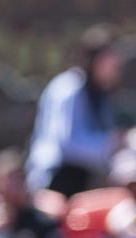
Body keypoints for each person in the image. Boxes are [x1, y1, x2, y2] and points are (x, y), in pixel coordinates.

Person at [26, 24, 124, 196]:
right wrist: (112, 143)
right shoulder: (69, 88)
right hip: (54, 181)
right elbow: (69, 144)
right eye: (111, 62)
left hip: (83, 181)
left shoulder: (100, 94)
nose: (116, 68)